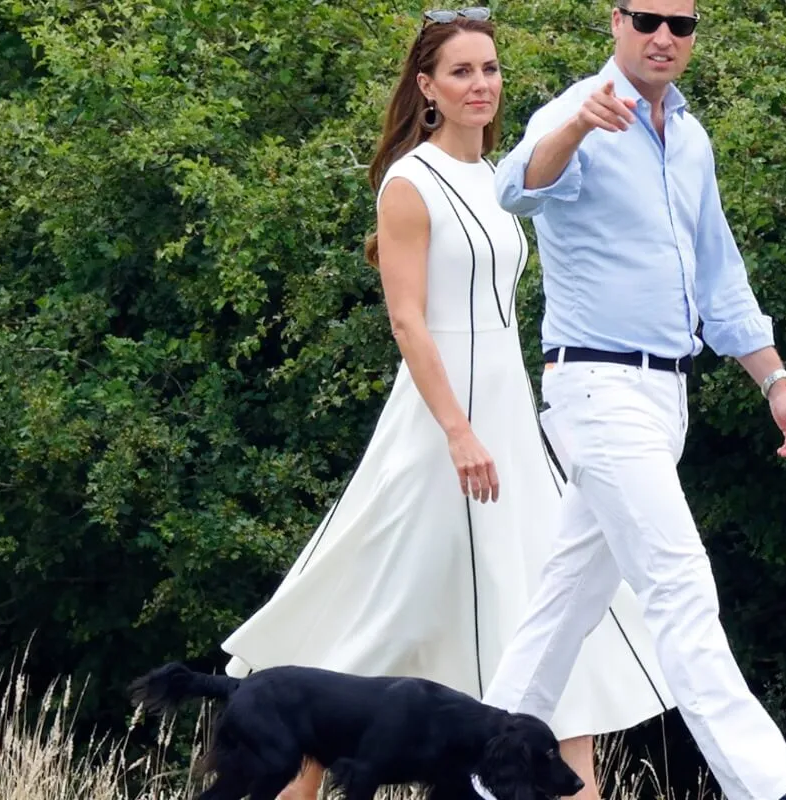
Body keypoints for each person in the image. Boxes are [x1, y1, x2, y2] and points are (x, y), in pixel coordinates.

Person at [218, 8, 675, 799]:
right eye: (461, 71)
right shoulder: (409, 181)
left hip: (511, 410)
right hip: (442, 423)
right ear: (426, 86)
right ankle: (300, 760)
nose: (481, 85)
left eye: (491, 70)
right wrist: (459, 430)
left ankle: (576, 781)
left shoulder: (497, 177)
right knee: (386, 612)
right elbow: (407, 318)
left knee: (543, 601)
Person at [479, 2, 786, 800]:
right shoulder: (576, 110)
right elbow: (516, 190)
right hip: (595, 386)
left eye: (683, 23)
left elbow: (720, 275)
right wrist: (576, 129)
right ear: (616, 22)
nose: (665, 36)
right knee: (679, 589)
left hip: (666, 394)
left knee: (565, 602)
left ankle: (479, 772)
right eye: (648, 19)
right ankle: (774, 789)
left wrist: (776, 382)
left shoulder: (692, 140)